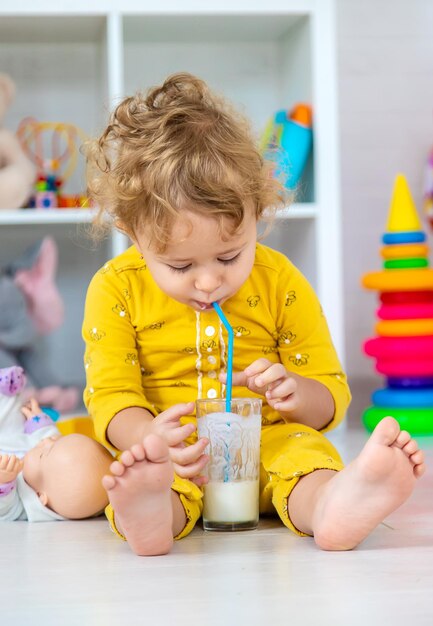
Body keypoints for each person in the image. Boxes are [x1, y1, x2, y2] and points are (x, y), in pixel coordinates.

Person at [82, 72, 425, 556]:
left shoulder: (279, 279)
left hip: (268, 440)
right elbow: (110, 394)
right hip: (177, 453)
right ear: (132, 233)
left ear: (258, 211)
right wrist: (146, 435)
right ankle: (151, 511)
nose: (208, 282)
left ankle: (332, 506)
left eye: (228, 256)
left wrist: (295, 393)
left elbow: (330, 394)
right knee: (156, 473)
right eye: (180, 265)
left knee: (304, 456)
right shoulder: (116, 288)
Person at [0, 366, 113, 521]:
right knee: (14, 417)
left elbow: (4, 510)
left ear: (40, 497)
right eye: (55, 441)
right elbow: (50, 437)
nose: (45, 441)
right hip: (14, 439)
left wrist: (4, 482)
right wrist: (40, 423)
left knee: (8, 423)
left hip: (8, 447)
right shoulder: (48, 465)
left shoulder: (22, 505)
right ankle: (8, 389)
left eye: (42, 454)